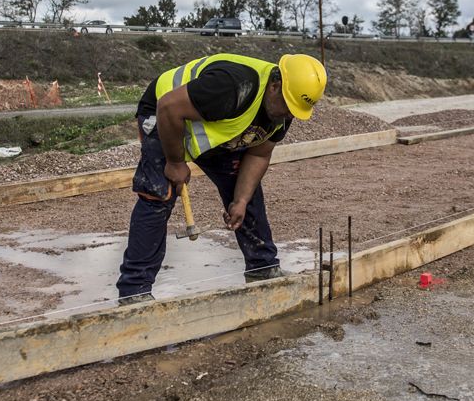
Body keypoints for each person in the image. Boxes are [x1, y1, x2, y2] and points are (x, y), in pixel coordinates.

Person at [116, 52, 328, 305]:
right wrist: (175, 162)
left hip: (214, 125)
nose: (290, 115)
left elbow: (259, 154)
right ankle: (134, 291)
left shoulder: (284, 110)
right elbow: (169, 107)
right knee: (159, 194)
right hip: (164, 113)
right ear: (275, 85)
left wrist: (239, 200)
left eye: (296, 110)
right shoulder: (234, 86)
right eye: (288, 106)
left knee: (246, 190)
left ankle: (262, 268)